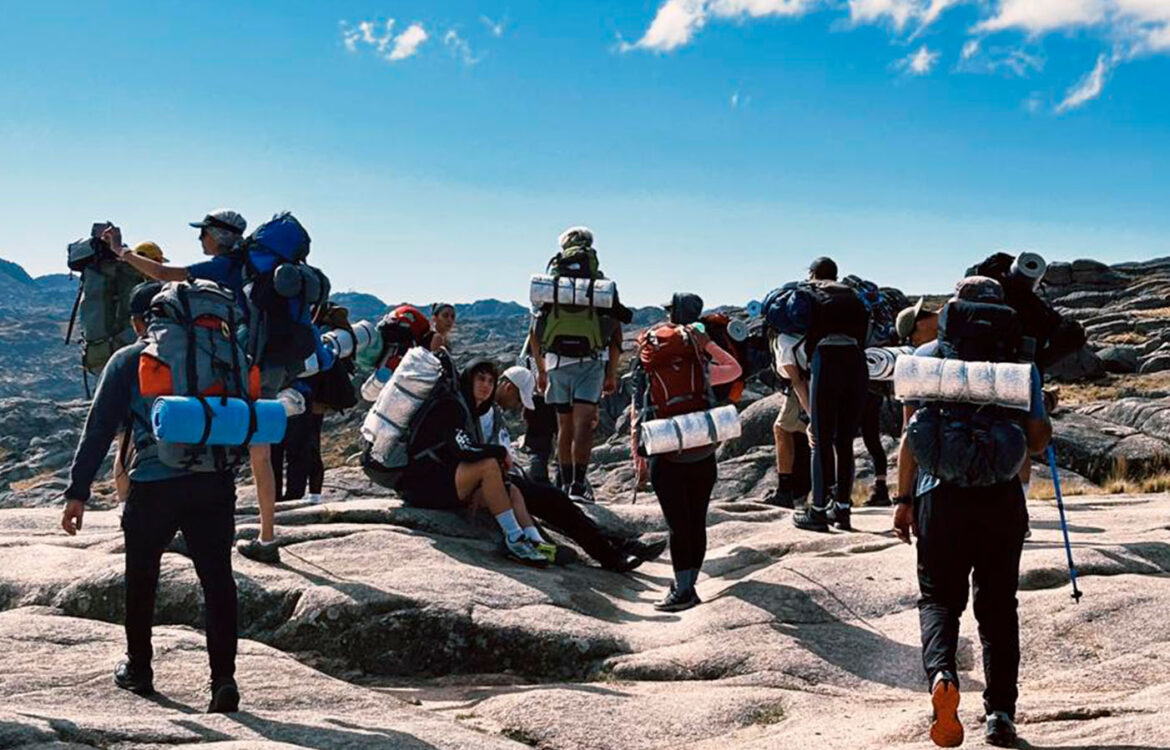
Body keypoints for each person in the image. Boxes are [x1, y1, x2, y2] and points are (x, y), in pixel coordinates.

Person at [60, 280, 242, 714]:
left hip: (155, 484)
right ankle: (224, 680)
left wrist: (77, 493)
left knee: (142, 577)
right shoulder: (222, 355)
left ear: (145, 320)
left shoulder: (129, 360)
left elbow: (99, 430)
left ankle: (140, 668)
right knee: (217, 580)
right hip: (213, 482)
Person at [893, 276, 1050, 749]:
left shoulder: (924, 361)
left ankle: (943, 675)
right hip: (1001, 497)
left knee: (939, 599)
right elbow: (1038, 440)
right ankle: (1000, 712)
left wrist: (903, 502)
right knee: (999, 607)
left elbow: (910, 438)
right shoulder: (1020, 365)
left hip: (939, 496)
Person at [112, 211, 281, 564]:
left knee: (200, 432)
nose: (199, 240)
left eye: (203, 233)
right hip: (257, 361)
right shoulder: (252, 268)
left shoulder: (223, 268)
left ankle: (190, 529)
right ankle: (266, 536)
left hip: (231, 362)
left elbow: (162, 275)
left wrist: (123, 252)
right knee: (258, 451)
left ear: (218, 236)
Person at [489, 365, 667, 571]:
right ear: (508, 388)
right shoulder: (481, 410)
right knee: (560, 505)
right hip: (502, 482)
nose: (517, 407)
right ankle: (619, 551)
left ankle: (621, 548)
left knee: (562, 505)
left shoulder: (493, 412)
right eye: (519, 399)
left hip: (510, 478)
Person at [631, 293, 742, 612]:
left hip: (665, 451)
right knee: (695, 520)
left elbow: (639, 410)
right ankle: (687, 583)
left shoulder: (651, 365)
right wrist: (705, 343)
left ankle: (682, 590)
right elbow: (734, 369)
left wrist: (640, 457)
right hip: (701, 449)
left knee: (677, 523)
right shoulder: (701, 365)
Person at [395, 353, 550, 566]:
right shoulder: (452, 406)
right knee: (488, 465)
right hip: (421, 485)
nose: (486, 385)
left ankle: (536, 541)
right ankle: (514, 538)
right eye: (480, 378)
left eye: (490, 381)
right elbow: (465, 450)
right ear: (469, 379)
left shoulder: (469, 408)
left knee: (510, 489)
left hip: (442, 479)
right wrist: (499, 452)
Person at [529, 227, 623, 503]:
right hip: (591, 362)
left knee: (564, 426)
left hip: (558, 363)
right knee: (584, 425)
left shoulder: (554, 285)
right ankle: (579, 486)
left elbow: (535, 333)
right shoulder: (601, 285)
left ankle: (564, 482)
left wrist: (542, 369)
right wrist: (612, 373)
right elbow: (616, 335)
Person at [792, 257, 871, 533]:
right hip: (856, 361)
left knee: (821, 439)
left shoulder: (810, 292)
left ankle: (817, 511)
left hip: (826, 359)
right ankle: (843, 510)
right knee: (845, 441)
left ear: (813, 274)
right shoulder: (854, 295)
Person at [763, 327, 812, 508]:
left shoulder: (785, 339)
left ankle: (785, 490)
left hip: (801, 389)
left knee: (782, 429)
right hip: (819, 381)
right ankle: (808, 489)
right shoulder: (811, 330)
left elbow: (796, 380)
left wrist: (809, 411)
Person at [517, 335, 558, 484]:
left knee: (538, 444)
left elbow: (521, 369)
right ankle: (564, 477)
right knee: (565, 439)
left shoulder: (533, 335)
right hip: (561, 396)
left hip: (536, 400)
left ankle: (539, 476)